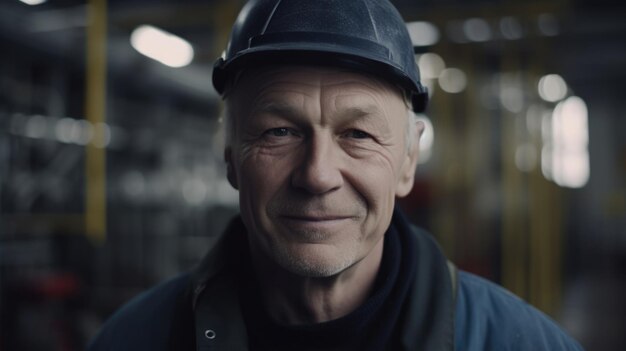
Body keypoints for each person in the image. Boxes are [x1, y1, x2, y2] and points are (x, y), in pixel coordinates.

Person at [89, 0, 584, 350]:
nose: (319, 175)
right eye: (279, 131)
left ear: (408, 162)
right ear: (231, 157)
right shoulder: (135, 339)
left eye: (359, 135)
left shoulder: (518, 342)